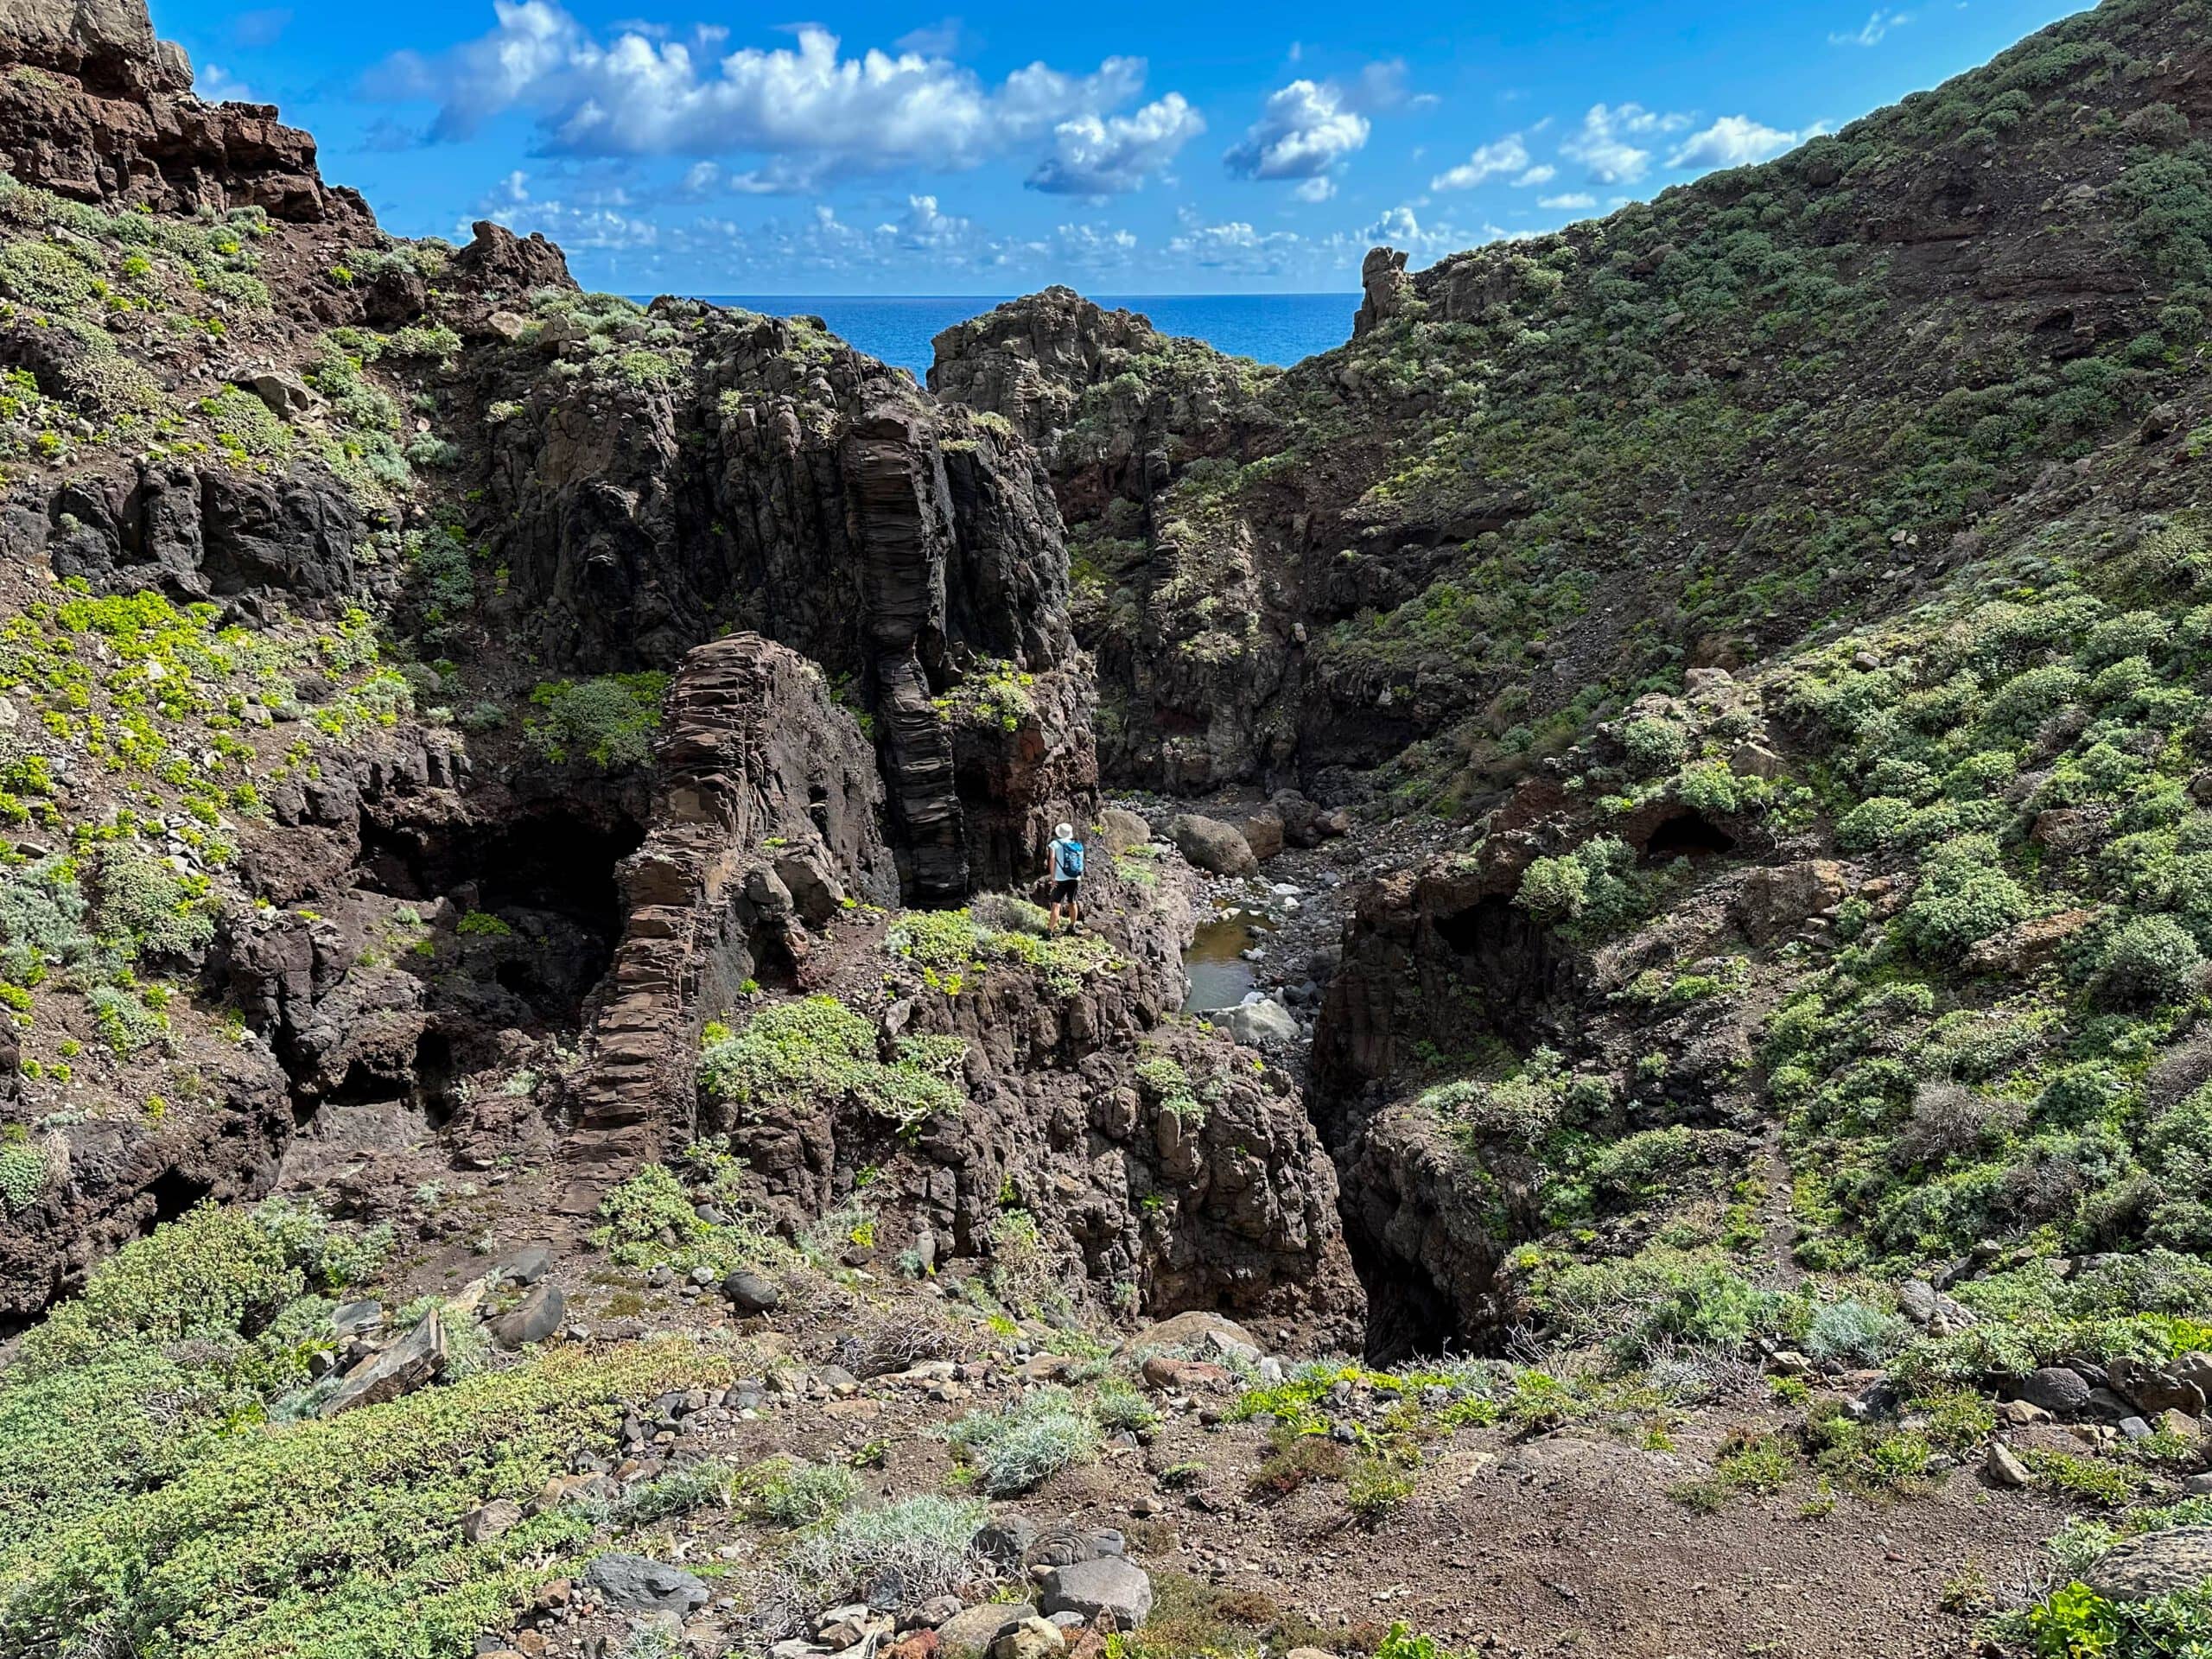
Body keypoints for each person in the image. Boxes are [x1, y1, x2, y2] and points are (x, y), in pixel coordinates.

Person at [1046, 820, 1085, 931]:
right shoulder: (1077, 846)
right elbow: (1081, 862)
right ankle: (1072, 926)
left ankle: (1050, 930)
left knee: (1056, 903)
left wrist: (1052, 877)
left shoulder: (1055, 844)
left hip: (1060, 878)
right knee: (1072, 902)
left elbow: (1052, 859)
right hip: (1074, 877)